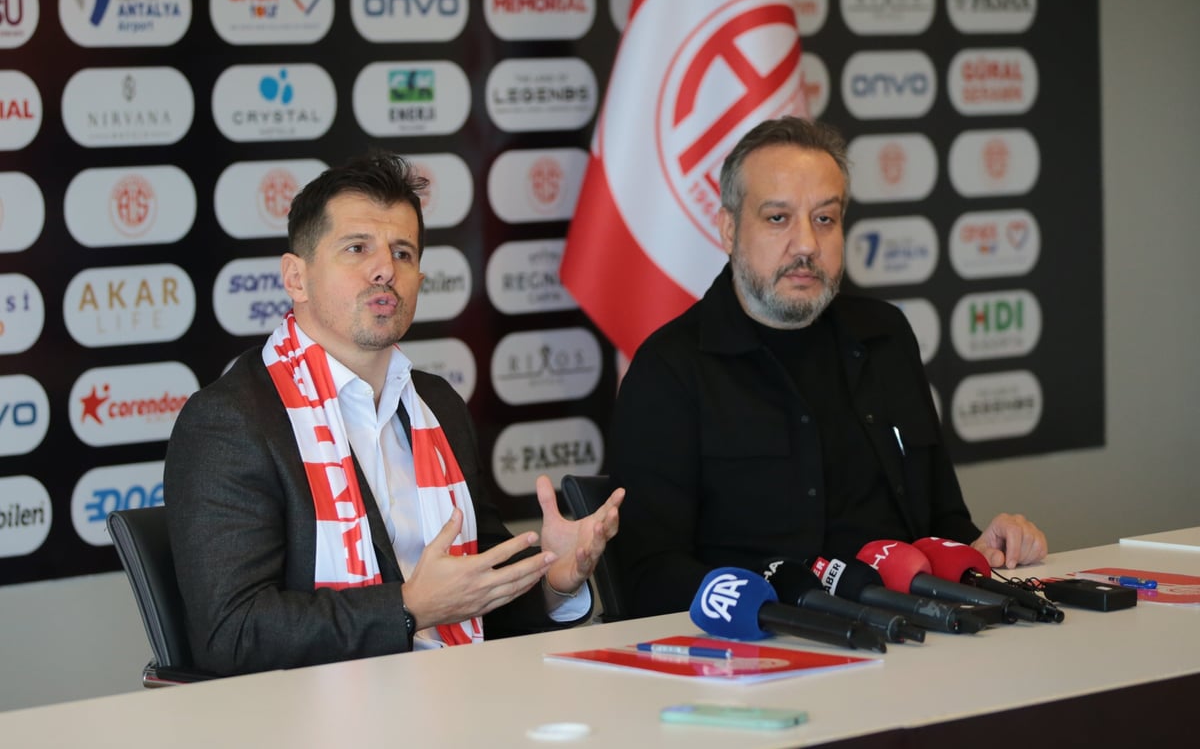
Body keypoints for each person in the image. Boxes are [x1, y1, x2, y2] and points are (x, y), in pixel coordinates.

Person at [164, 152, 623, 675]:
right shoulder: (230, 422)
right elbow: (232, 635)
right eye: (357, 248)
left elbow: (478, 599)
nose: (385, 269)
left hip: (458, 694)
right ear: (296, 278)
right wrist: (408, 608)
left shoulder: (436, 404)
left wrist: (554, 580)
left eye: (402, 253)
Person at [608, 117, 1046, 617]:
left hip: (913, 632)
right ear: (729, 228)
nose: (806, 245)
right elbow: (647, 575)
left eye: (824, 219)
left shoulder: (886, 336)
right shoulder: (669, 369)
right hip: (760, 642)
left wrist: (981, 547)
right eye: (778, 218)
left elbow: (941, 522)